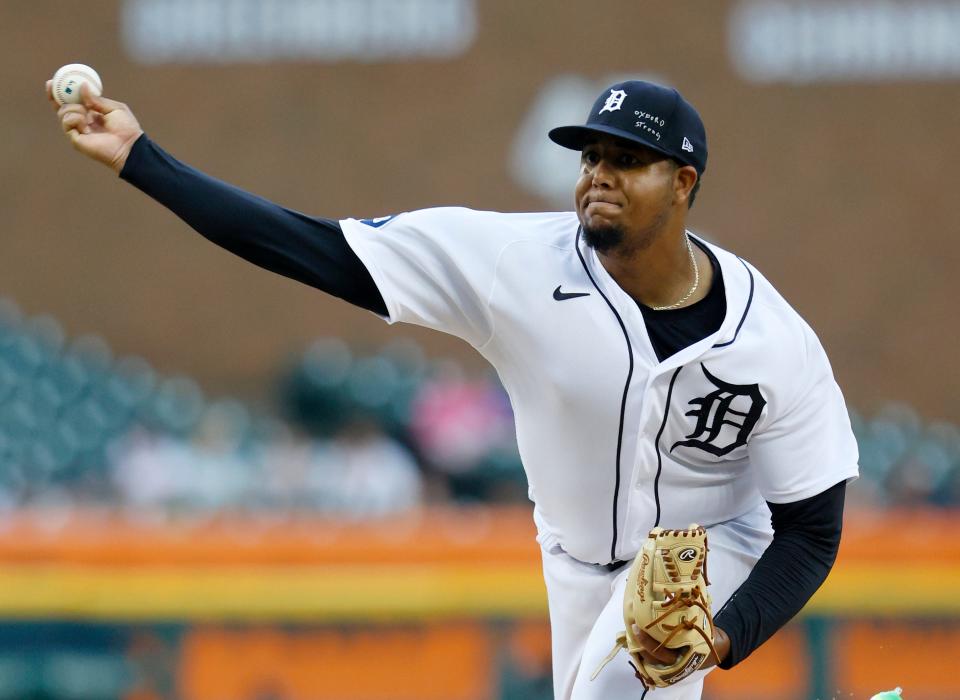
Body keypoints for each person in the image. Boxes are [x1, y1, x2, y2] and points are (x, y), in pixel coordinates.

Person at [47, 78, 859, 699]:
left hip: (707, 550)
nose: (598, 177)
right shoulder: (515, 263)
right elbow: (312, 248)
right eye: (590, 157)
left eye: (627, 160)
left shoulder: (771, 342)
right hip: (572, 558)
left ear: (684, 182)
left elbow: (812, 532)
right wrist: (139, 159)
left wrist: (724, 635)